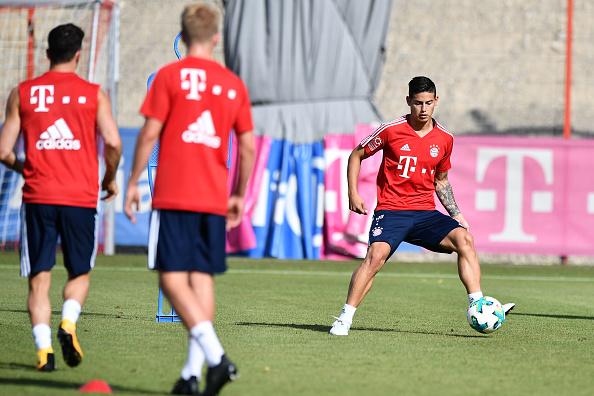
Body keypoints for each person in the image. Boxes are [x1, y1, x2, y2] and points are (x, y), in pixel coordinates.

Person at [124, 3, 255, 395]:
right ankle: (190, 376)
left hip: (175, 193)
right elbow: (246, 146)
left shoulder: (168, 76)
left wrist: (132, 181)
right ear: (217, 37)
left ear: (182, 36)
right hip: (213, 196)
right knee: (201, 278)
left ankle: (216, 358)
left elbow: (149, 133)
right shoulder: (232, 84)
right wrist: (239, 194)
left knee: (170, 276)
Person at [329, 76, 514, 336]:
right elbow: (356, 154)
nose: (423, 109)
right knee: (375, 258)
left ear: (436, 101)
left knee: (465, 239)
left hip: (425, 213)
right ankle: (344, 318)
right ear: (409, 102)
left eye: (428, 103)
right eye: (418, 103)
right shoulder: (390, 130)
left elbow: (441, 181)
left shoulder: (445, 139)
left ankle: (478, 303)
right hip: (391, 211)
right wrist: (353, 192)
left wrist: (457, 214)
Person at [0, 23, 122, 368]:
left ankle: (44, 352)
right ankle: (68, 323)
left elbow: (4, 150)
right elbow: (113, 141)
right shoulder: (94, 93)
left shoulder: (23, 93)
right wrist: (110, 178)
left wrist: (25, 168)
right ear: (79, 55)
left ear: (48, 53)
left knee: (40, 279)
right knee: (78, 273)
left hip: (38, 197)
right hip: (80, 198)